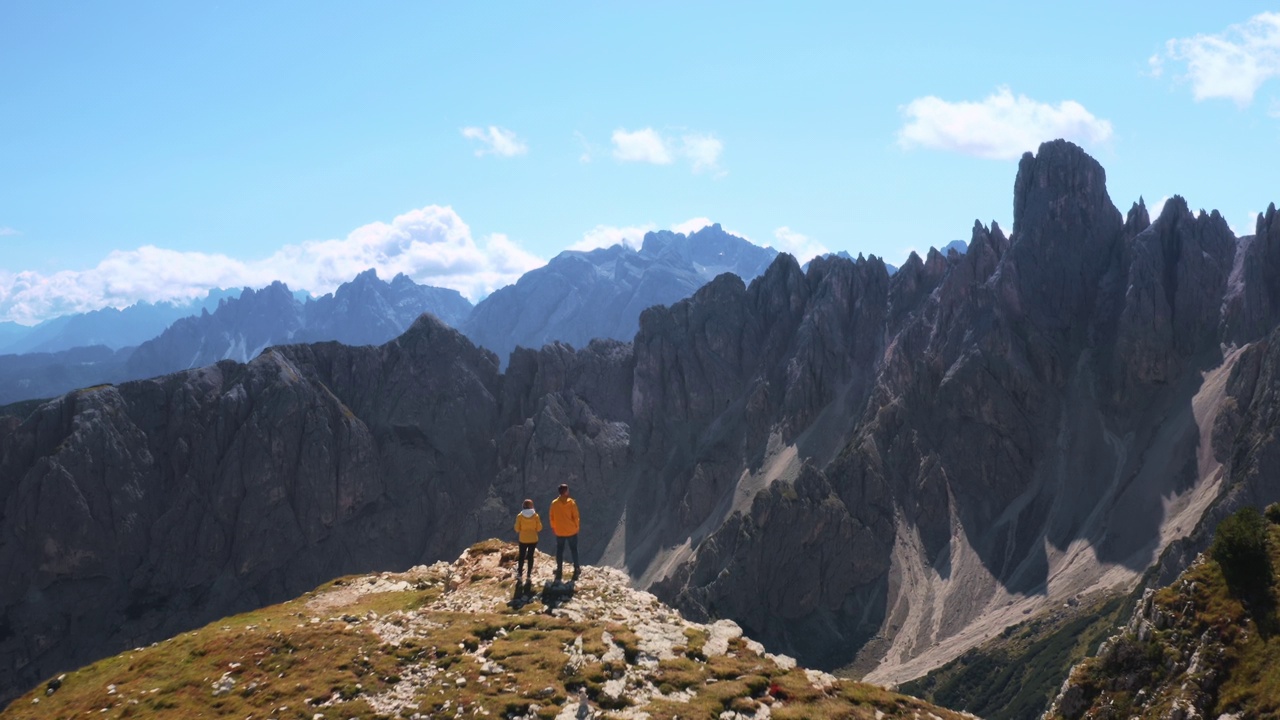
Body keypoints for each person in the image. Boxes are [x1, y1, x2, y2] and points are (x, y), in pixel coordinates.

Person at [549, 483, 581, 582]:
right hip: (571, 530)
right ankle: (576, 568)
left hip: (559, 531)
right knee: (574, 550)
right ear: (565, 491)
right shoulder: (571, 503)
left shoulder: (554, 503)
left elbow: (551, 517)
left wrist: (554, 528)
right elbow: (576, 517)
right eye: (567, 490)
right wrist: (576, 527)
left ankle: (559, 570)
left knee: (560, 550)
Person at [513, 498, 541, 586]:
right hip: (533, 539)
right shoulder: (535, 516)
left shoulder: (520, 516)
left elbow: (516, 528)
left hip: (523, 539)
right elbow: (539, 528)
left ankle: (520, 574)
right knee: (530, 556)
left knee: (521, 556)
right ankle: (529, 575)